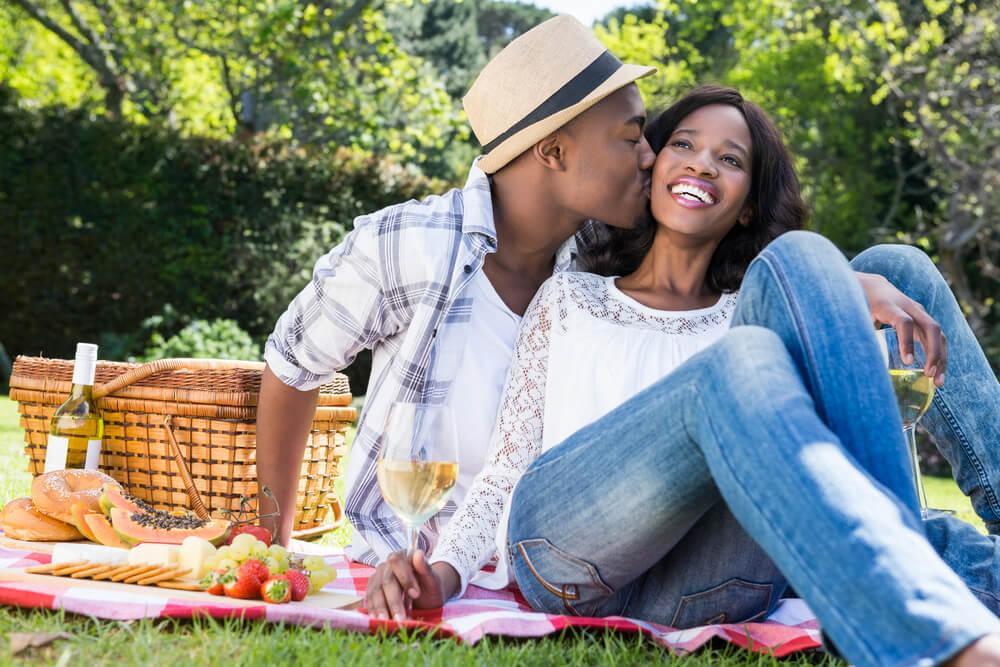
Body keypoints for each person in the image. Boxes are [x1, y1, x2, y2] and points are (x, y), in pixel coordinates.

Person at [260, 16, 948, 565]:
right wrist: (271, 540)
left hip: (629, 528)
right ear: (554, 153)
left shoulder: (601, 250)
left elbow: (729, 248)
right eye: (632, 138)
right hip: (465, 545)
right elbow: (292, 362)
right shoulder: (406, 245)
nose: (651, 155)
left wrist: (848, 278)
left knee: (901, 268)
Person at [364, 86, 1000, 666]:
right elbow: (506, 471)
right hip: (565, 555)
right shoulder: (571, 299)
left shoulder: (744, 320)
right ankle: (916, 613)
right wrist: (442, 573)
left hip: (713, 583)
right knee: (739, 357)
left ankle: (917, 585)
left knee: (834, 270)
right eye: (684, 145)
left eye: (730, 160)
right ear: (653, 167)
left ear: (749, 206)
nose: (701, 165)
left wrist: (835, 284)